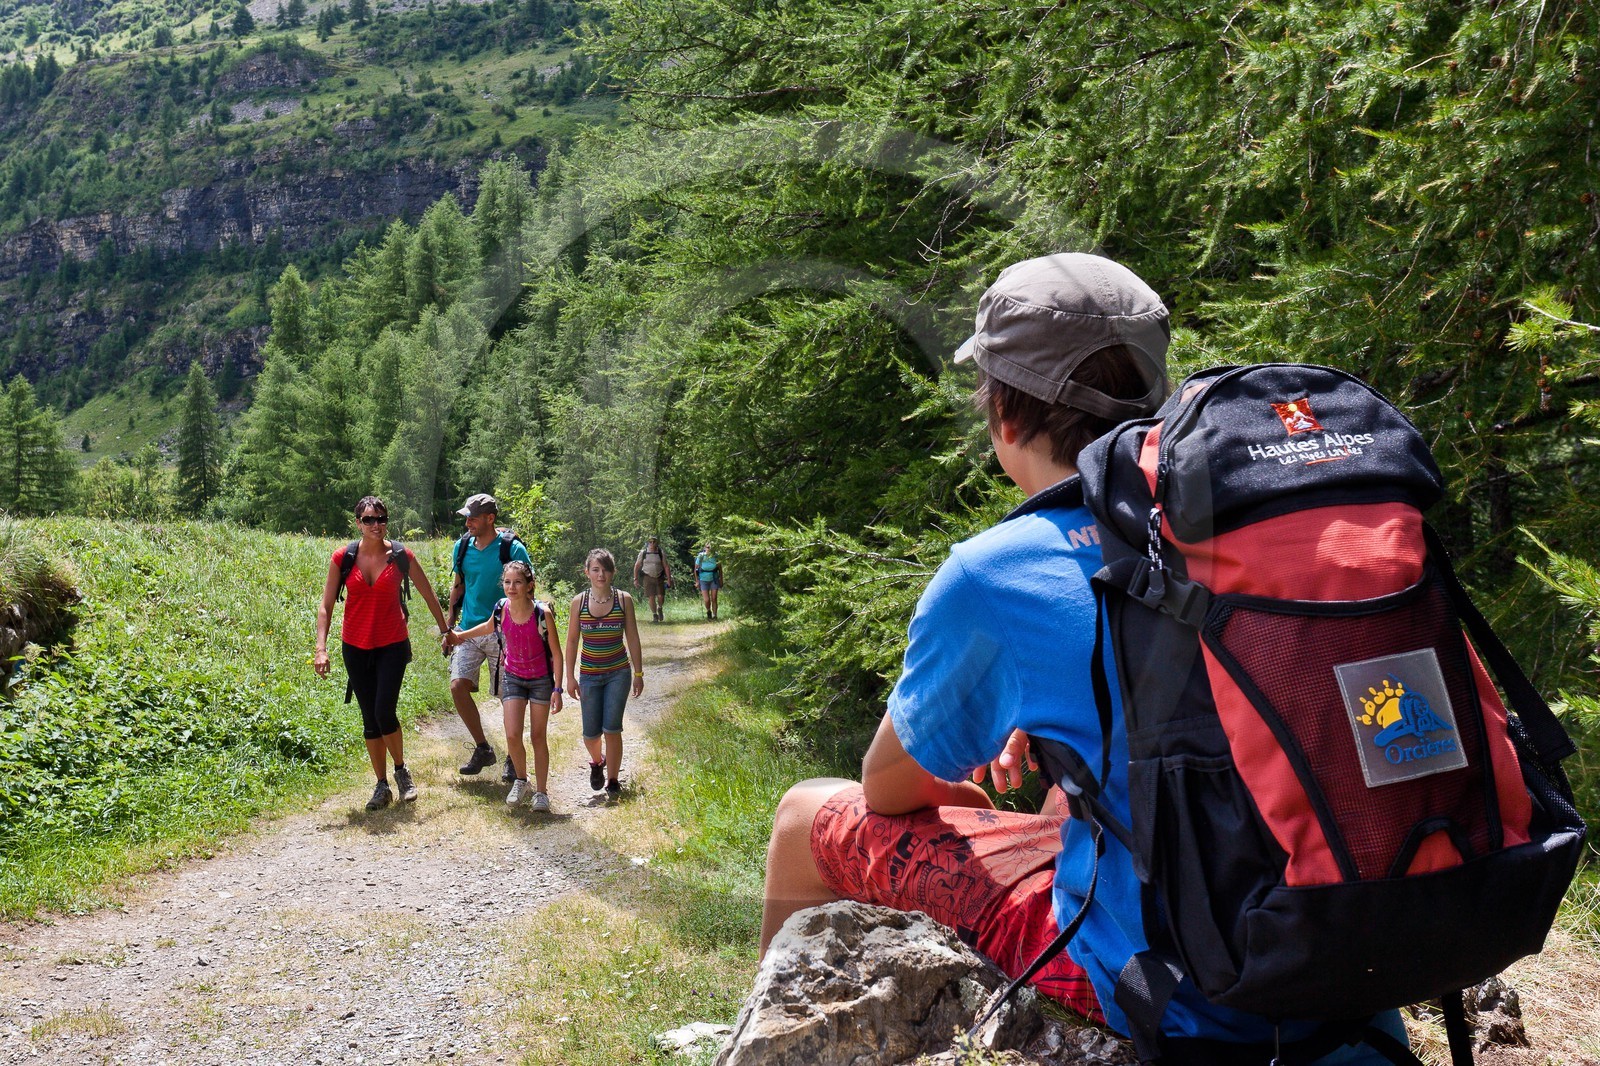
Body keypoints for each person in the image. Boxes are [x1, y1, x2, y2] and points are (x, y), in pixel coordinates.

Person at [755, 254, 1408, 1061]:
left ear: (1003, 414)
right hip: (1351, 951)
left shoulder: (998, 572)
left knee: (799, 813)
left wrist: (966, 782)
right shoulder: (1264, 527)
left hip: (1180, 995)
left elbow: (891, 789)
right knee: (1071, 806)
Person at [314, 495, 451, 812]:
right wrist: (321, 649)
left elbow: (427, 592)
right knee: (369, 719)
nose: (376, 525)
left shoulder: (401, 555)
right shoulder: (343, 558)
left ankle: (401, 771)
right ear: (358, 523)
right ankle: (381, 785)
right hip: (355, 647)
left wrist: (445, 629)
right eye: (368, 520)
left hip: (391, 644)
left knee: (383, 711)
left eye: (381, 519)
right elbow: (326, 606)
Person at [447, 561, 565, 812]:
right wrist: (461, 636)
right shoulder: (501, 608)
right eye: (508, 582)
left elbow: (556, 652)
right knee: (512, 734)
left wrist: (557, 689)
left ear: (529, 586)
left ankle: (541, 793)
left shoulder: (542, 614)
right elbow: (488, 627)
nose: (511, 587)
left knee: (537, 736)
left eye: (518, 582)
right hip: (512, 677)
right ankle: (521, 780)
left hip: (540, 680)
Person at [445, 492, 532, 779]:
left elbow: (528, 590)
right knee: (458, 686)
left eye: (472, 517)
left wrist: (525, 629)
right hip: (469, 629)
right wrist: (449, 627)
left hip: (504, 632)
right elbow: (457, 587)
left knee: (509, 696)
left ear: (490, 518)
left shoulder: (512, 549)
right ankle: (483, 748)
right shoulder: (461, 547)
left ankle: (512, 754)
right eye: (466, 517)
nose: (467, 522)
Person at [564, 548, 644, 798]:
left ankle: (612, 781)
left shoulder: (623, 599)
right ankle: (598, 761)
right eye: (596, 569)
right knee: (590, 733)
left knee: (612, 728)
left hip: (618, 673)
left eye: (606, 569)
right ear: (587, 572)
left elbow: (632, 636)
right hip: (589, 675)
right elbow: (572, 640)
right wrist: (570, 677)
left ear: (613, 572)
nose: (601, 574)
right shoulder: (579, 602)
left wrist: (639, 673)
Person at [633, 536, 673, 623]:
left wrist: (669, 579)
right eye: (650, 542)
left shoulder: (660, 552)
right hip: (647, 577)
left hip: (659, 576)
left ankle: (660, 608)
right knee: (651, 596)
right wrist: (635, 579)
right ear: (647, 543)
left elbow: (666, 566)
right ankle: (655, 615)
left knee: (661, 596)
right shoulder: (643, 553)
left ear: (656, 543)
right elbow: (637, 566)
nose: (652, 543)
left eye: (654, 542)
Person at [692, 543, 722, 620]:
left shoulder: (716, 556)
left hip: (714, 579)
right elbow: (695, 570)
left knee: (714, 598)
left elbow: (720, 569)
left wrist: (721, 579)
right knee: (707, 599)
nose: (709, 549)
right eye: (708, 547)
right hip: (703, 580)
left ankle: (715, 615)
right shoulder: (701, 556)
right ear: (705, 548)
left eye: (711, 547)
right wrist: (697, 581)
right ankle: (708, 611)